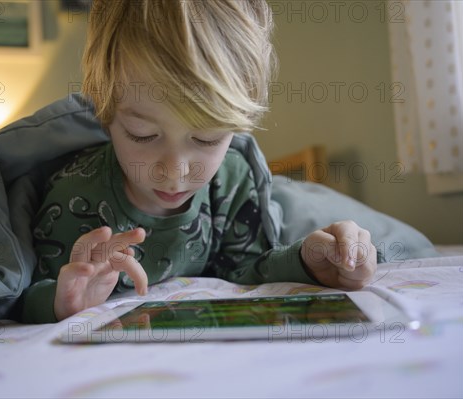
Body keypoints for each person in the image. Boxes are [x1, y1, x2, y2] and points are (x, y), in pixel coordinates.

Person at [21, 0, 376, 323]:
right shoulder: (72, 196)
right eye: (142, 134)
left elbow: (247, 272)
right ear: (105, 114)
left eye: (207, 139)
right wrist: (61, 301)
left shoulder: (235, 178)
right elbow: (18, 296)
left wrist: (309, 262)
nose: (175, 173)